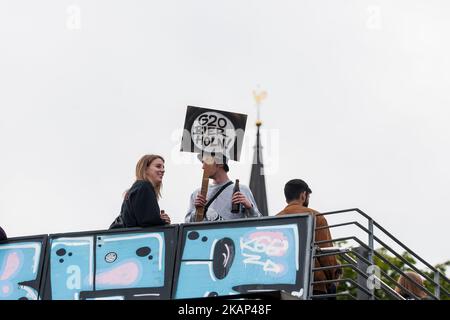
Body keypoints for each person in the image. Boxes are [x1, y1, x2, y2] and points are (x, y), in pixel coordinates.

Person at [276, 179, 341, 297]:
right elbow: (326, 255)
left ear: (287, 198)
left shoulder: (275, 220)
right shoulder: (316, 217)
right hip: (314, 285)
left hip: (283, 285)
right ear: (303, 195)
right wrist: (334, 276)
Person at [185, 153, 262, 222]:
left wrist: (249, 207)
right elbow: (187, 225)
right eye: (203, 162)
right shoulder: (197, 194)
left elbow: (258, 223)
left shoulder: (242, 190)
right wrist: (197, 212)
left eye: (206, 161)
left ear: (220, 163)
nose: (203, 167)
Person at [110, 154, 171, 229]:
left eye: (163, 167)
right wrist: (162, 221)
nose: (163, 170)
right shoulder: (144, 187)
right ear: (145, 169)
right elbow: (147, 221)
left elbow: (141, 218)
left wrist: (158, 219)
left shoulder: (138, 187)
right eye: (158, 166)